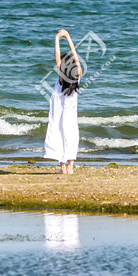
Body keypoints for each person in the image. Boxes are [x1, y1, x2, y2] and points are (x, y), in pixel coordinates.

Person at [43, 29, 82, 174]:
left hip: (58, 113)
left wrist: (57, 38)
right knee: (71, 136)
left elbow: (57, 56)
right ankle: (71, 166)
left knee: (58, 133)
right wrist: (68, 37)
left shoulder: (61, 76)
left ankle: (63, 167)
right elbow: (75, 56)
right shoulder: (77, 75)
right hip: (71, 115)